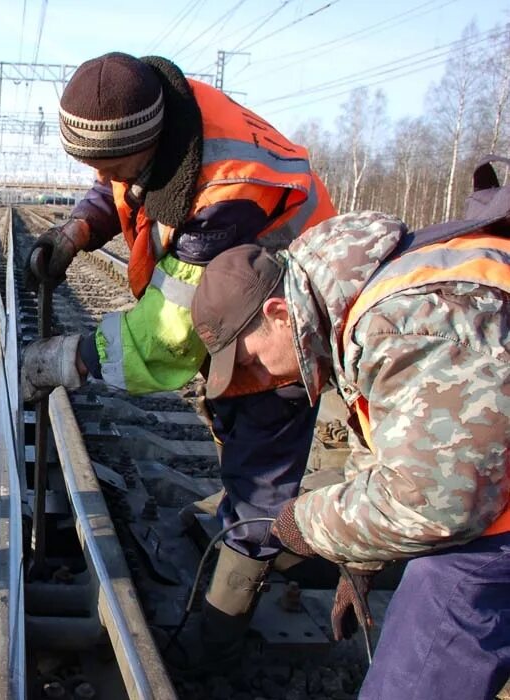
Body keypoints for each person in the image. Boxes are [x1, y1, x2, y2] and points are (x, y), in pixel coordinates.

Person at [20, 51, 335, 662]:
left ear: (147, 143)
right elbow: (119, 185)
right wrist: (77, 230)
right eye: (90, 163)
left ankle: (219, 633)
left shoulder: (228, 190)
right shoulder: (154, 113)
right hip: (240, 303)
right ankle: (240, 538)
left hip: (284, 328)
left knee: (261, 468)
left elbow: (170, 333)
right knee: (235, 431)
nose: (100, 174)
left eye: (108, 164)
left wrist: (73, 358)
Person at [189, 157, 509, 699]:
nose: (258, 379)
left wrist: (306, 524)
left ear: (279, 314)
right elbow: (390, 443)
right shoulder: (365, 297)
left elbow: (434, 503)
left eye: (250, 362)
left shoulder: (402, 323)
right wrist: (361, 557)